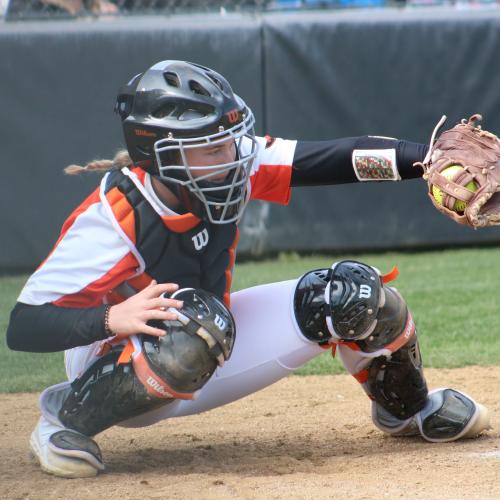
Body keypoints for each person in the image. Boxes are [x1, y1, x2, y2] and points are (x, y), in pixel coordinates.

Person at [6, 60, 490, 478]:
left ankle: (407, 412)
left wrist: (422, 160)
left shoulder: (231, 160)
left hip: (209, 334)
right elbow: (22, 325)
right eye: (213, 146)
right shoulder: (113, 218)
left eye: (230, 140)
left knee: (353, 293)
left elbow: (331, 158)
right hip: (120, 355)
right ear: (161, 154)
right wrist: (112, 319)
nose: (234, 155)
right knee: (192, 326)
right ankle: (64, 420)